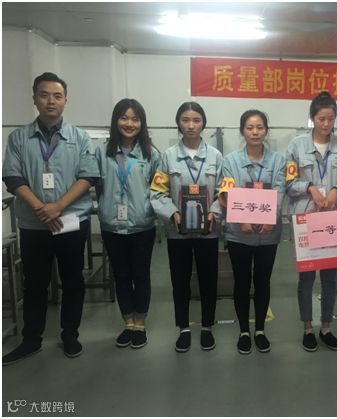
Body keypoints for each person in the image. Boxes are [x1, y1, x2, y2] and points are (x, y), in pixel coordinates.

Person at [2, 72, 100, 365]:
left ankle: (70, 334)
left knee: (73, 280)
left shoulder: (79, 137)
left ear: (66, 100)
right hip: (34, 225)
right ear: (34, 99)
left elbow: (88, 176)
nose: (51, 101)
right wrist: (40, 208)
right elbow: (13, 178)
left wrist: (58, 206)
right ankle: (31, 339)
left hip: (70, 221)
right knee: (34, 282)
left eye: (57, 96)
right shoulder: (19, 138)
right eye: (44, 95)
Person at [285, 91, 337, 352]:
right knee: (306, 278)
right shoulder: (296, 146)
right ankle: (308, 328)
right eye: (321, 119)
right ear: (312, 118)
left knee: (330, 278)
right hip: (306, 219)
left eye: (331, 118)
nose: (326, 124)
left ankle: (326, 327)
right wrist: (309, 188)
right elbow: (289, 181)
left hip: (334, 220)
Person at [150, 102, 222, 352]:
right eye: (185, 120)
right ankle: (183, 328)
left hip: (208, 231)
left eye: (196, 120)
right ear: (178, 123)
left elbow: (225, 191)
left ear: (203, 123)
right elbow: (157, 192)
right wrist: (172, 213)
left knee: (208, 279)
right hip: (178, 231)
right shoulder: (168, 156)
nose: (191, 125)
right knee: (179, 280)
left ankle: (207, 327)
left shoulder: (215, 156)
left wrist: (214, 212)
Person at [217, 110, 286, 354]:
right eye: (249, 127)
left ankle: (260, 330)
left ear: (266, 130)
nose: (255, 132)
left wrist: (271, 218)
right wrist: (240, 219)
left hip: (269, 233)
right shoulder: (230, 161)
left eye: (259, 127)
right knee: (242, 281)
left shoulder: (278, 161)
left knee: (263, 281)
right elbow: (226, 191)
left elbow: (280, 190)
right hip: (239, 233)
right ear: (242, 131)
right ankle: (244, 331)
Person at [95, 99, 160, 349]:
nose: (129, 123)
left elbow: (158, 190)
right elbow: (96, 185)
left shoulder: (151, 154)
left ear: (142, 123)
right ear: (115, 121)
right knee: (121, 275)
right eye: (124, 118)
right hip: (112, 226)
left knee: (141, 275)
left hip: (142, 226)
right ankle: (128, 323)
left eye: (135, 119)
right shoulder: (102, 153)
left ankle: (140, 323)